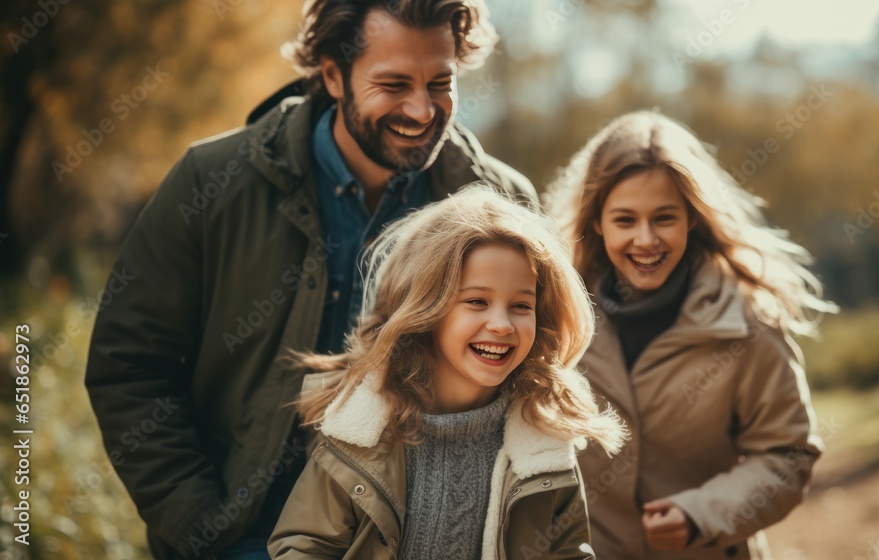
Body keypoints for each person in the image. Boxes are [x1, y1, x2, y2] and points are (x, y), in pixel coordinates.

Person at [84, 1, 536, 558]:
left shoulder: (503, 205)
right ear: (331, 75)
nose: (422, 110)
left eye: (440, 83)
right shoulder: (212, 182)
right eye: (393, 84)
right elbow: (129, 363)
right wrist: (201, 525)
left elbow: (534, 383)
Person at [266, 187, 626, 559]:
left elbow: (569, 553)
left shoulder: (544, 445)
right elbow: (304, 548)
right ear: (426, 308)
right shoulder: (358, 431)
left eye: (521, 305)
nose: (502, 324)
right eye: (476, 301)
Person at [544, 111, 837, 560]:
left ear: (691, 219)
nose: (646, 240)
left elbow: (788, 455)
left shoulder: (747, 322)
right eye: (625, 220)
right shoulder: (552, 316)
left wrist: (702, 514)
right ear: (597, 221)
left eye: (664, 218)